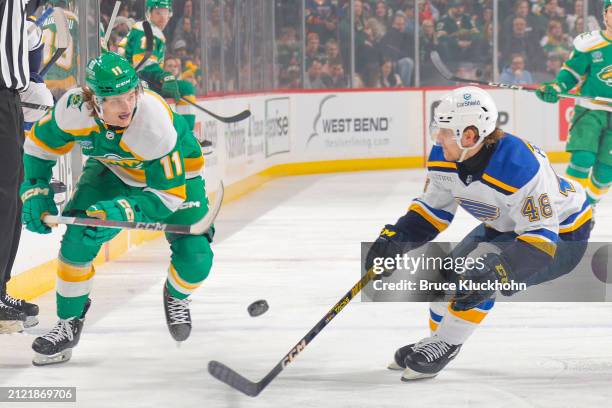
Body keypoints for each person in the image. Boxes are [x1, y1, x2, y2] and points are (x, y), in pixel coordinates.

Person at [366, 86, 592, 381]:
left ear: (469, 135)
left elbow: (540, 241)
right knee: (447, 276)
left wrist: (501, 269)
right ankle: (439, 340)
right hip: (506, 224)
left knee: (479, 275)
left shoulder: (520, 167)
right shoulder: (443, 156)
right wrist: (395, 239)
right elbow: (431, 213)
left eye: (445, 131)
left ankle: (447, 341)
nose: (438, 137)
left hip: (563, 235)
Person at [21, 52, 212, 366]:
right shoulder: (73, 109)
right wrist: (36, 190)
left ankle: (176, 295)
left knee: (196, 259)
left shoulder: (153, 122)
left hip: (177, 182)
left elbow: (166, 198)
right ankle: (69, 324)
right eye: (116, 100)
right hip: (112, 170)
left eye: (131, 95)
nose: (127, 107)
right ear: (95, 102)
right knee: (78, 238)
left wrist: (122, 211)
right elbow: (38, 147)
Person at [536, 0, 612, 205]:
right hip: (590, 111)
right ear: (605, 16)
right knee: (583, 158)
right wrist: (556, 87)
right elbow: (570, 73)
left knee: (607, 170)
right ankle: (569, 206)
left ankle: (588, 206)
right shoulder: (590, 43)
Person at [120, 0, 197, 131]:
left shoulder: (151, 30)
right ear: (149, 13)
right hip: (133, 83)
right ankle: (186, 136)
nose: (162, 17)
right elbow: (143, 64)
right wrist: (165, 76)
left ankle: (185, 134)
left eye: (165, 13)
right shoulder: (146, 29)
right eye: (158, 12)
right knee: (186, 88)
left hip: (135, 80)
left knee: (184, 88)